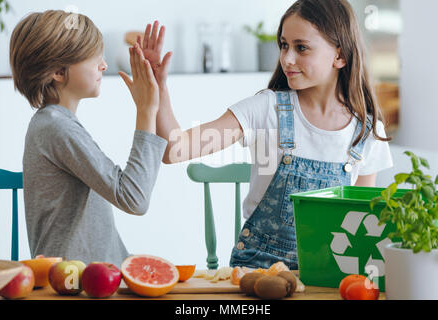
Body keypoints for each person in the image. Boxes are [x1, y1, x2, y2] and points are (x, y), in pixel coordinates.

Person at [141, 0, 393, 270]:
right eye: (284, 45)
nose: (287, 58)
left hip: (327, 278)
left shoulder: (366, 133)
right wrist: (158, 89)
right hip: (256, 273)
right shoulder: (265, 110)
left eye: (301, 47)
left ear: (340, 56)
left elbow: (362, 226)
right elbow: (174, 150)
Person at [9, 10, 166, 266]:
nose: (104, 65)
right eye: (94, 58)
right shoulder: (56, 127)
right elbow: (134, 198)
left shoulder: (55, 122)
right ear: (59, 71)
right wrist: (146, 109)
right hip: (75, 282)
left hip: (92, 274)